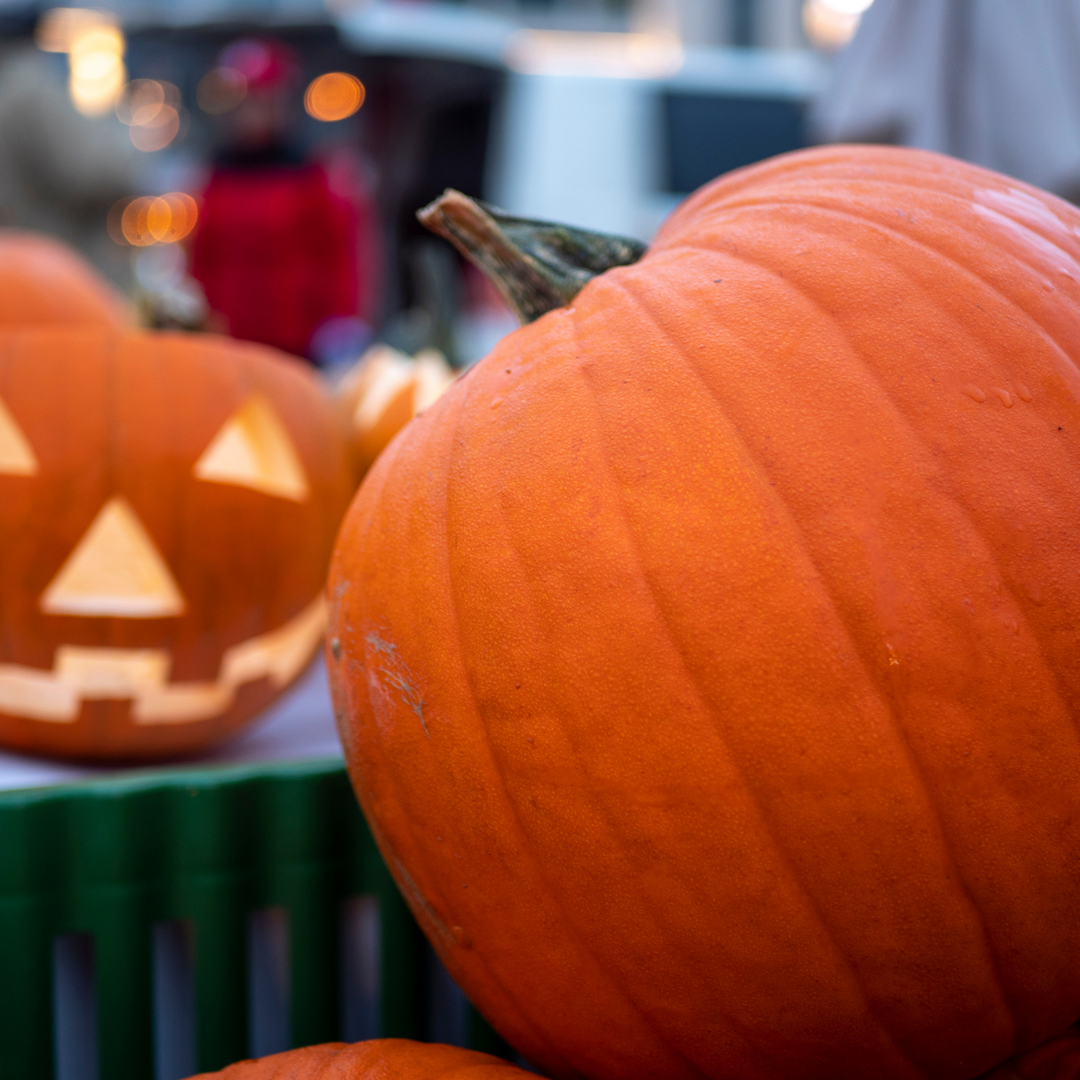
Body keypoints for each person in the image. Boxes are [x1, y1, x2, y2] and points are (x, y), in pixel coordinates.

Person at [189, 38, 368, 364]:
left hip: (293, 343)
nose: (249, 115)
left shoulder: (310, 175)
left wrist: (340, 321)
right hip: (229, 341)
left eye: (259, 102)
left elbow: (338, 256)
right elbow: (203, 256)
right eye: (241, 104)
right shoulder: (216, 175)